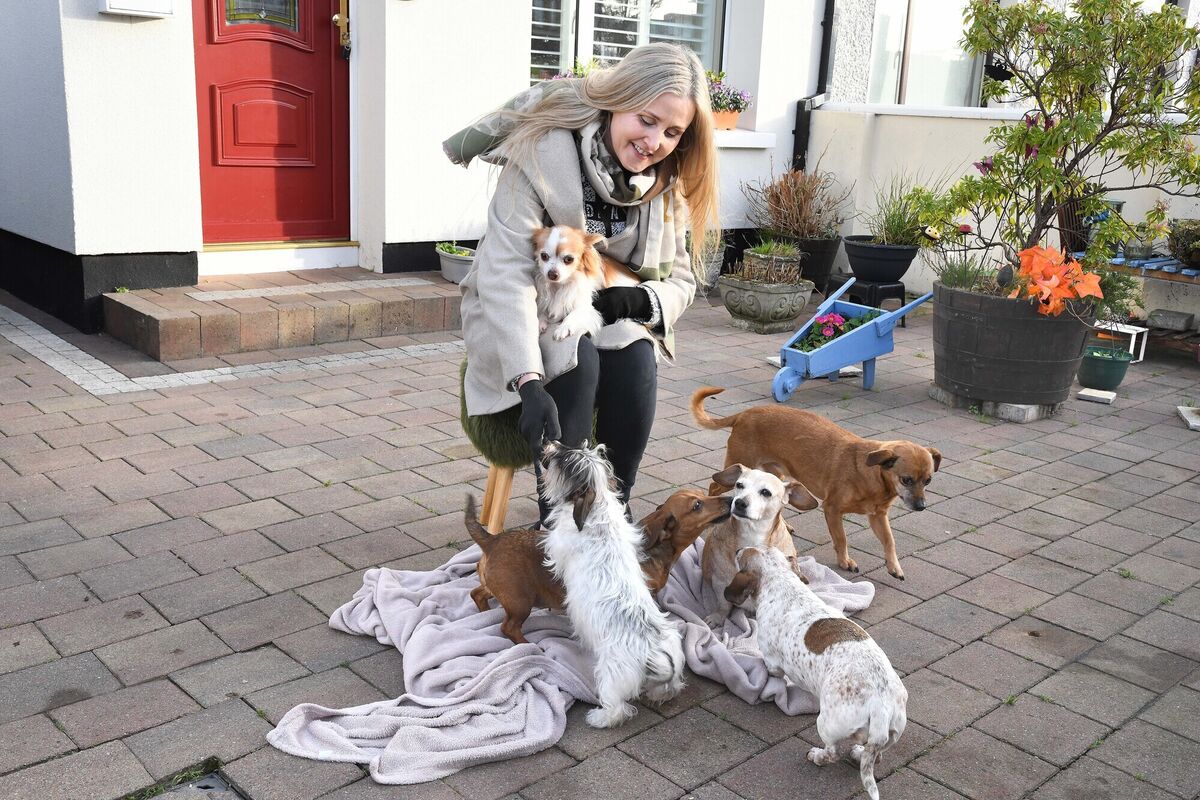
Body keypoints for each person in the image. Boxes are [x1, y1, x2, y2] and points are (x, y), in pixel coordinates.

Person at [444, 42, 720, 524]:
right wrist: (527, 383)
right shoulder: (541, 152)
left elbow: (680, 279)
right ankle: (561, 511)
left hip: (599, 309)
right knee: (576, 352)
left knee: (635, 350)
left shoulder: (666, 184)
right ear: (617, 100)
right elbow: (505, 277)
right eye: (647, 119)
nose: (655, 142)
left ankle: (612, 506)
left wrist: (642, 299)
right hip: (525, 312)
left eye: (673, 132)